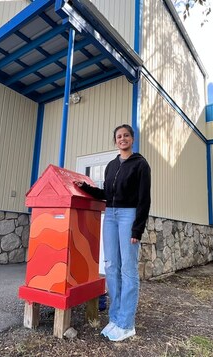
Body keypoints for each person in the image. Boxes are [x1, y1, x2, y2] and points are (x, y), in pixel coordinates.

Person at [75, 124, 151, 342]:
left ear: (132, 139)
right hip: (110, 215)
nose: (122, 139)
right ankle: (115, 319)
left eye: (126, 135)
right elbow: (106, 192)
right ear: (115, 140)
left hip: (129, 215)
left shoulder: (140, 164)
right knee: (110, 266)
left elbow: (144, 199)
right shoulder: (111, 165)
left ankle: (127, 324)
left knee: (127, 269)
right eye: (119, 136)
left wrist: (138, 228)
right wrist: (86, 188)